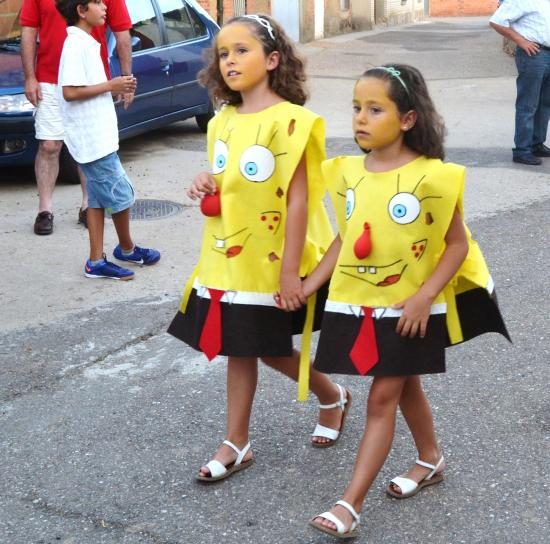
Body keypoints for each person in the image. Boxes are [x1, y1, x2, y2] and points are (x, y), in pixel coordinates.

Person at [302, 65, 510, 539]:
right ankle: (431, 458)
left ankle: (349, 505)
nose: (361, 118)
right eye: (357, 107)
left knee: (382, 398)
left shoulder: (432, 177)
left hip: (409, 309)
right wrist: (310, 284)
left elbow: (456, 245)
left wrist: (424, 296)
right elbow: (345, 238)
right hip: (359, 304)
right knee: (404, 384)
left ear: (408, 118)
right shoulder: (349, 173)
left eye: (375, 109)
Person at [167, 14, 351, 481]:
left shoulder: (293, 122)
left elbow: (298, 201)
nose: (229, 61)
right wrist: (208, 179)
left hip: (275, 258)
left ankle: (331, 396)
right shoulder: (222, 120)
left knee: (270, 350)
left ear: (272, 60)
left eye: (241, 51)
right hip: (228, 256)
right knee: (239, 347)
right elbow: (227, 177)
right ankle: (237, 441)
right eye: (223, 54)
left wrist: (290, 272)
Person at [56, 0, 160, 280]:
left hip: (98, 135)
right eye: (98, 2)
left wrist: (112, 88)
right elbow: (69, 91)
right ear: (81, 10)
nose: (105, 7)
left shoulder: (87, 41)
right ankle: (126, 249)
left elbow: (86, 88)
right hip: (91, 139)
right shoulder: (75, 44)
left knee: (97, 199)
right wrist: (111, 85)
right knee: (120, 194)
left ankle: (95, 261)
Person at [20, 0, 133, 235]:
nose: (102, 6)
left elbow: (122, 34)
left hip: (91, 80)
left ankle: (87, 205)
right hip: (48, 80)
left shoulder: (96, 13)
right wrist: (30, 77)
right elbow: (28, 31)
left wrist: (126, 79)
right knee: (49, 145)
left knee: (89, 145)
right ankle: (45, 210)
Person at [490, 0, 550, 166]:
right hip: (534, 54)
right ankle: (522, 150)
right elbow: (496, 21)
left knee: (545, 103)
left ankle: (536, 144)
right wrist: (521, 41)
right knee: (528, 104)